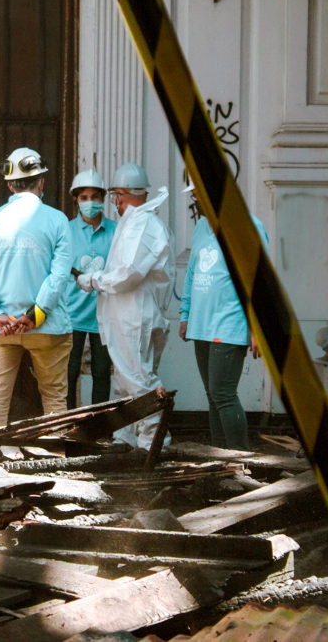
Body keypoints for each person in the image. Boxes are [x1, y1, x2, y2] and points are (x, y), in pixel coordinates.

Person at [0, 147, 73, 428]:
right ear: (42, 182)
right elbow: (59, 276)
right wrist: (35, 314)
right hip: (47, 327)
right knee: (53, 397)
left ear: (10, 184)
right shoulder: (57, 220)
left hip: (1, 327)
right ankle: (55, 455)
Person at [77, 163, 174, 450]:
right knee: (126, 381)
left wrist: (93, 280)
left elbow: (128, 273)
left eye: (114, 196)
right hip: (127, 316)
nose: (113, 203)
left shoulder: (142, 225)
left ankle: (154, 443)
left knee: (139, 381)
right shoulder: (134, 223)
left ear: (121, 195)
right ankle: (127, 439)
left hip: (134, 315)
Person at [179, 184, 268, 451]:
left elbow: (260, 279)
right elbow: (192, 274)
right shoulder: (201, 227)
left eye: (199, 195)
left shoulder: (248, 227)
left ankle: (240, 458)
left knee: (223, 394)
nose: (196, 202)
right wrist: (186, 315)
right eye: (194, 196)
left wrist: (257, 328)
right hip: (201, 324)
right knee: (213, 396)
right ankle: (219, 458)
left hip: (230, 323)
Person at [63, 169, 116, 410]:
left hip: (104, 314)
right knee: (69, 373)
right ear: (76, 199)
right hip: (71, 314)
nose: (90, 202)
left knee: (102, 373)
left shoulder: (116, 231)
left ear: (103, 198)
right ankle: (69, 427)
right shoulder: (66, 231)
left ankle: (98, 429)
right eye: (84, 197)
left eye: (95, 196)